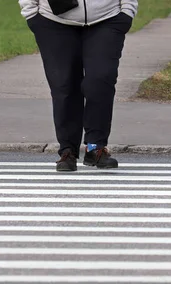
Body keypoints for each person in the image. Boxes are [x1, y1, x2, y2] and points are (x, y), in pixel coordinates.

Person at [19, 0, 137, 171]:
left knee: (100, 79)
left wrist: (127, 10)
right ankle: (68, 151)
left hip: (107, 17)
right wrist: (31, 12)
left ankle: (95, 147)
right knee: (64, 85)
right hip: (53, 20)